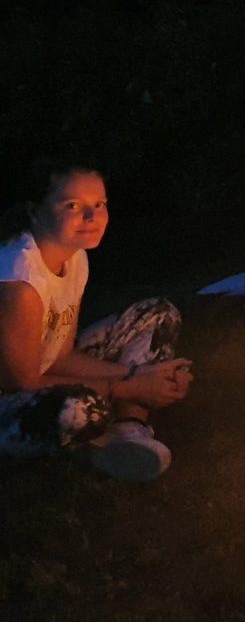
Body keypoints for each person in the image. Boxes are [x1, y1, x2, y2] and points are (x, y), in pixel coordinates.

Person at [0, 160, 193, 481]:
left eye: (99, 204)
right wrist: (124, 387)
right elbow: (22, 383)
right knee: (80, 409)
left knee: (158, 314)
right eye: (73, 205)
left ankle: (128, 430)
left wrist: (139, 374)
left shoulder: (74, 256)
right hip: (9, 396)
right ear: (34, 211)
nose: (92, 217)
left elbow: (60, 356)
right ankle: (95, 450)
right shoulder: (19, 282)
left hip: (40, 374)